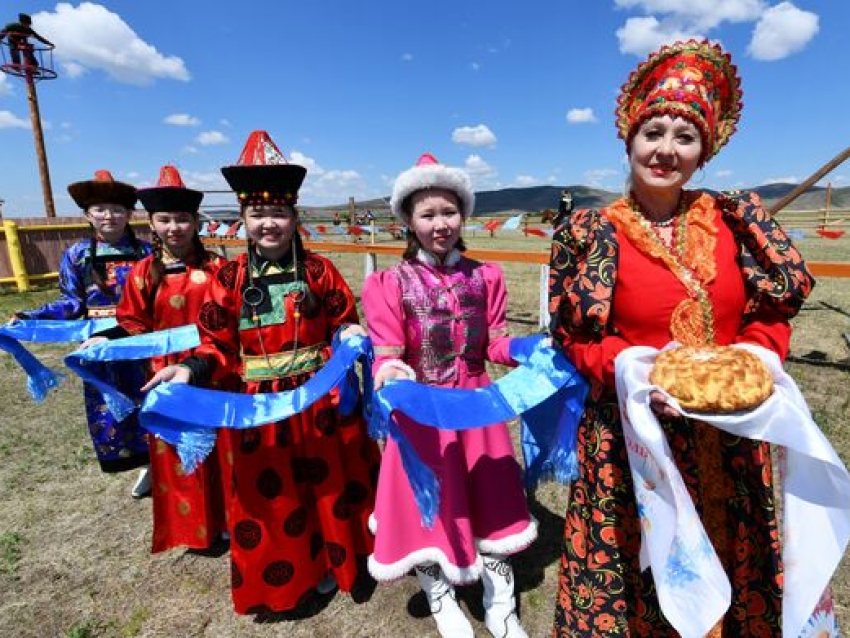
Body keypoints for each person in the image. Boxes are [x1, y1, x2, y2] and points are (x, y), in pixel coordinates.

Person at [548, 40, 816, 635]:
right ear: (629, 138)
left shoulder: (735, 220)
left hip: (730, 434)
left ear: (703, 152)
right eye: (655, 131)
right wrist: (640, 374)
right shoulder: (590, 232)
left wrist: (752, 358)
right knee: (638, 571)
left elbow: (771, 311)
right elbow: (575, 336)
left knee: (732, 565)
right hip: (630, 436)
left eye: (685, 137)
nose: (666, 149)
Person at [142, 131, 381, 614]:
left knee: (326, 488)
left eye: (278, 213)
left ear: (294, 217)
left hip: (317, 402)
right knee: (271, 500)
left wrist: (350, 338)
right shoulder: (227, 280)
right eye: (257, 214)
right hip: (255, 410)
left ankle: (335, 565)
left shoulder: (320, 272)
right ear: (243, 218)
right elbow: (216, 343)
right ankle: (287, 579)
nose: (268, 224)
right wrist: (189, 369)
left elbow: (343, 321)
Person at [362, 153, 536, 638]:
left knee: (493, 497)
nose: (440, 224)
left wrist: (528, 348)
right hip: (421, 409)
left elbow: (495, 343)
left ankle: (500, 603)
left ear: (463, 215)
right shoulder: (388, 284)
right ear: (409, 222)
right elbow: (388, 351)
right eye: (428, 214)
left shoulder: (488, 277)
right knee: (429, 503)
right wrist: (391, 368)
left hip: (479, 408)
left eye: (449, 212)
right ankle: (440, 595)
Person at [83, 165, 230, 553]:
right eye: (164, 219)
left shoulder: (218, 268)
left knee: (222, 451)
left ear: (196, 221)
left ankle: (229, 521)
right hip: (164, 378)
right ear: (151, 222)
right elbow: (131, 322)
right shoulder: (143, 272)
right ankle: (195, 530)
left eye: (183, 219)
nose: (174, 228)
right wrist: (101, 340)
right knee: (176, 454)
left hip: (214, 372)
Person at [14, 170, 152, 497]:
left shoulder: (147, 253)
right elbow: (71, 302)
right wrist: (32, 316)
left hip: (140, 342)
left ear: (130, 214)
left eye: (117, 209)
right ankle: (137, 464)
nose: (109, 216)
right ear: (87, 215)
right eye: (100, 209)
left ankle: (156, 463)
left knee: (149, 399)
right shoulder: (77, 255)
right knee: (110, 406)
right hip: (99, 347)